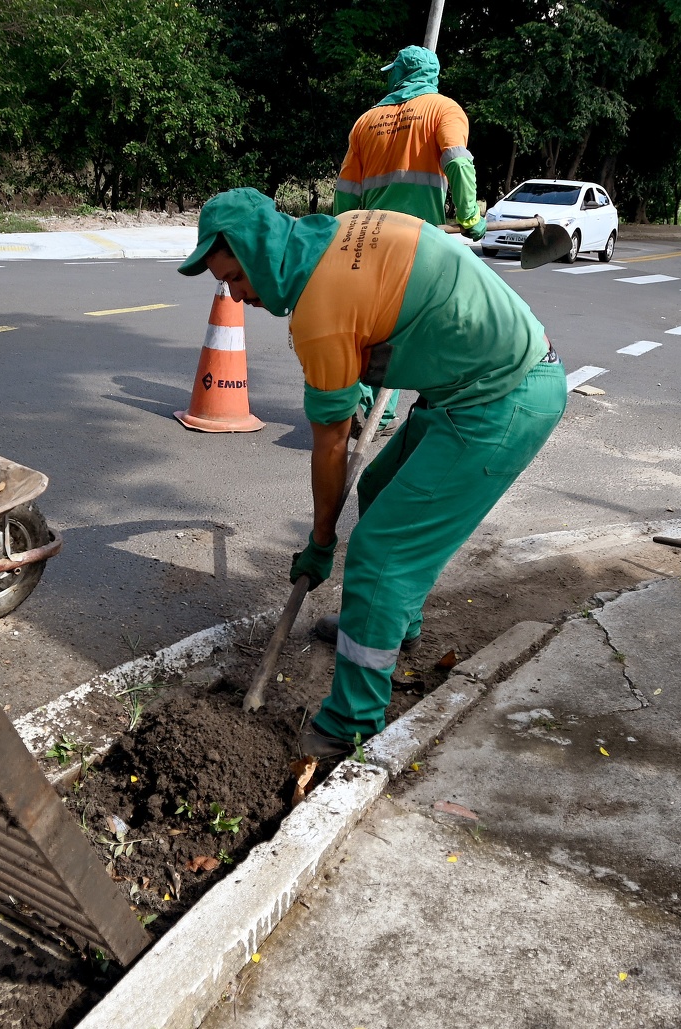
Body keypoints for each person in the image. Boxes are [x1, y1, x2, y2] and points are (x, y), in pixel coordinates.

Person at [178, 188, 564, 759]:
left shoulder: (320, 316)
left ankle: (352, 723)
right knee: (381, 489)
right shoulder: (338, 232)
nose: (236, 295)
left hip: (502, 399)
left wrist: (320, 541)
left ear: (261, 254)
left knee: (381, 556)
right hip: (465, 387)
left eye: (236, 277)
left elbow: (331, 446)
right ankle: (393, 625)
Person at [332, 44, 486, 437]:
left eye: (392, 71)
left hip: (366, 238)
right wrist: (470, 216)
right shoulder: (443, 110)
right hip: (418, 242)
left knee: (367, 327)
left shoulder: (366, 121)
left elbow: (347, 190)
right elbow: (457, 160)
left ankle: (361, 406)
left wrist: (339, 235)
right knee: (403, 330)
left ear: (400, 74)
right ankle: (382, 415)